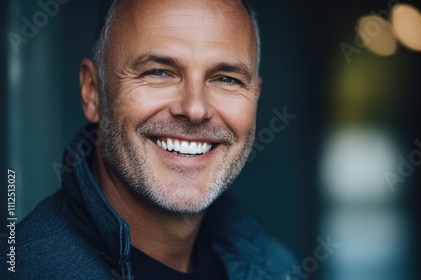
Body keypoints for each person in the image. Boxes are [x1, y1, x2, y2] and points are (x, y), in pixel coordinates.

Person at [1, 0, 296, 279]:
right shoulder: (23, 268)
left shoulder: (277, 266)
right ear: (93, 92)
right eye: (158, 72)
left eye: (226, 79)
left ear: (255, 96)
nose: (195, 108)